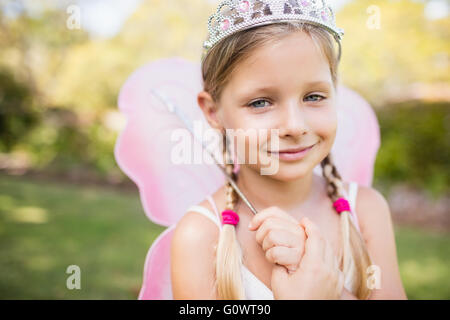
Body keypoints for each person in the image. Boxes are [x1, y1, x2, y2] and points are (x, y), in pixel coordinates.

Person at [171, 0, 407, 300]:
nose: (295, 126)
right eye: (260, 102)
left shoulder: (367, 211)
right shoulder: (200, 235)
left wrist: (331, 292)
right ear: (213, 111)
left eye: (314, 96)